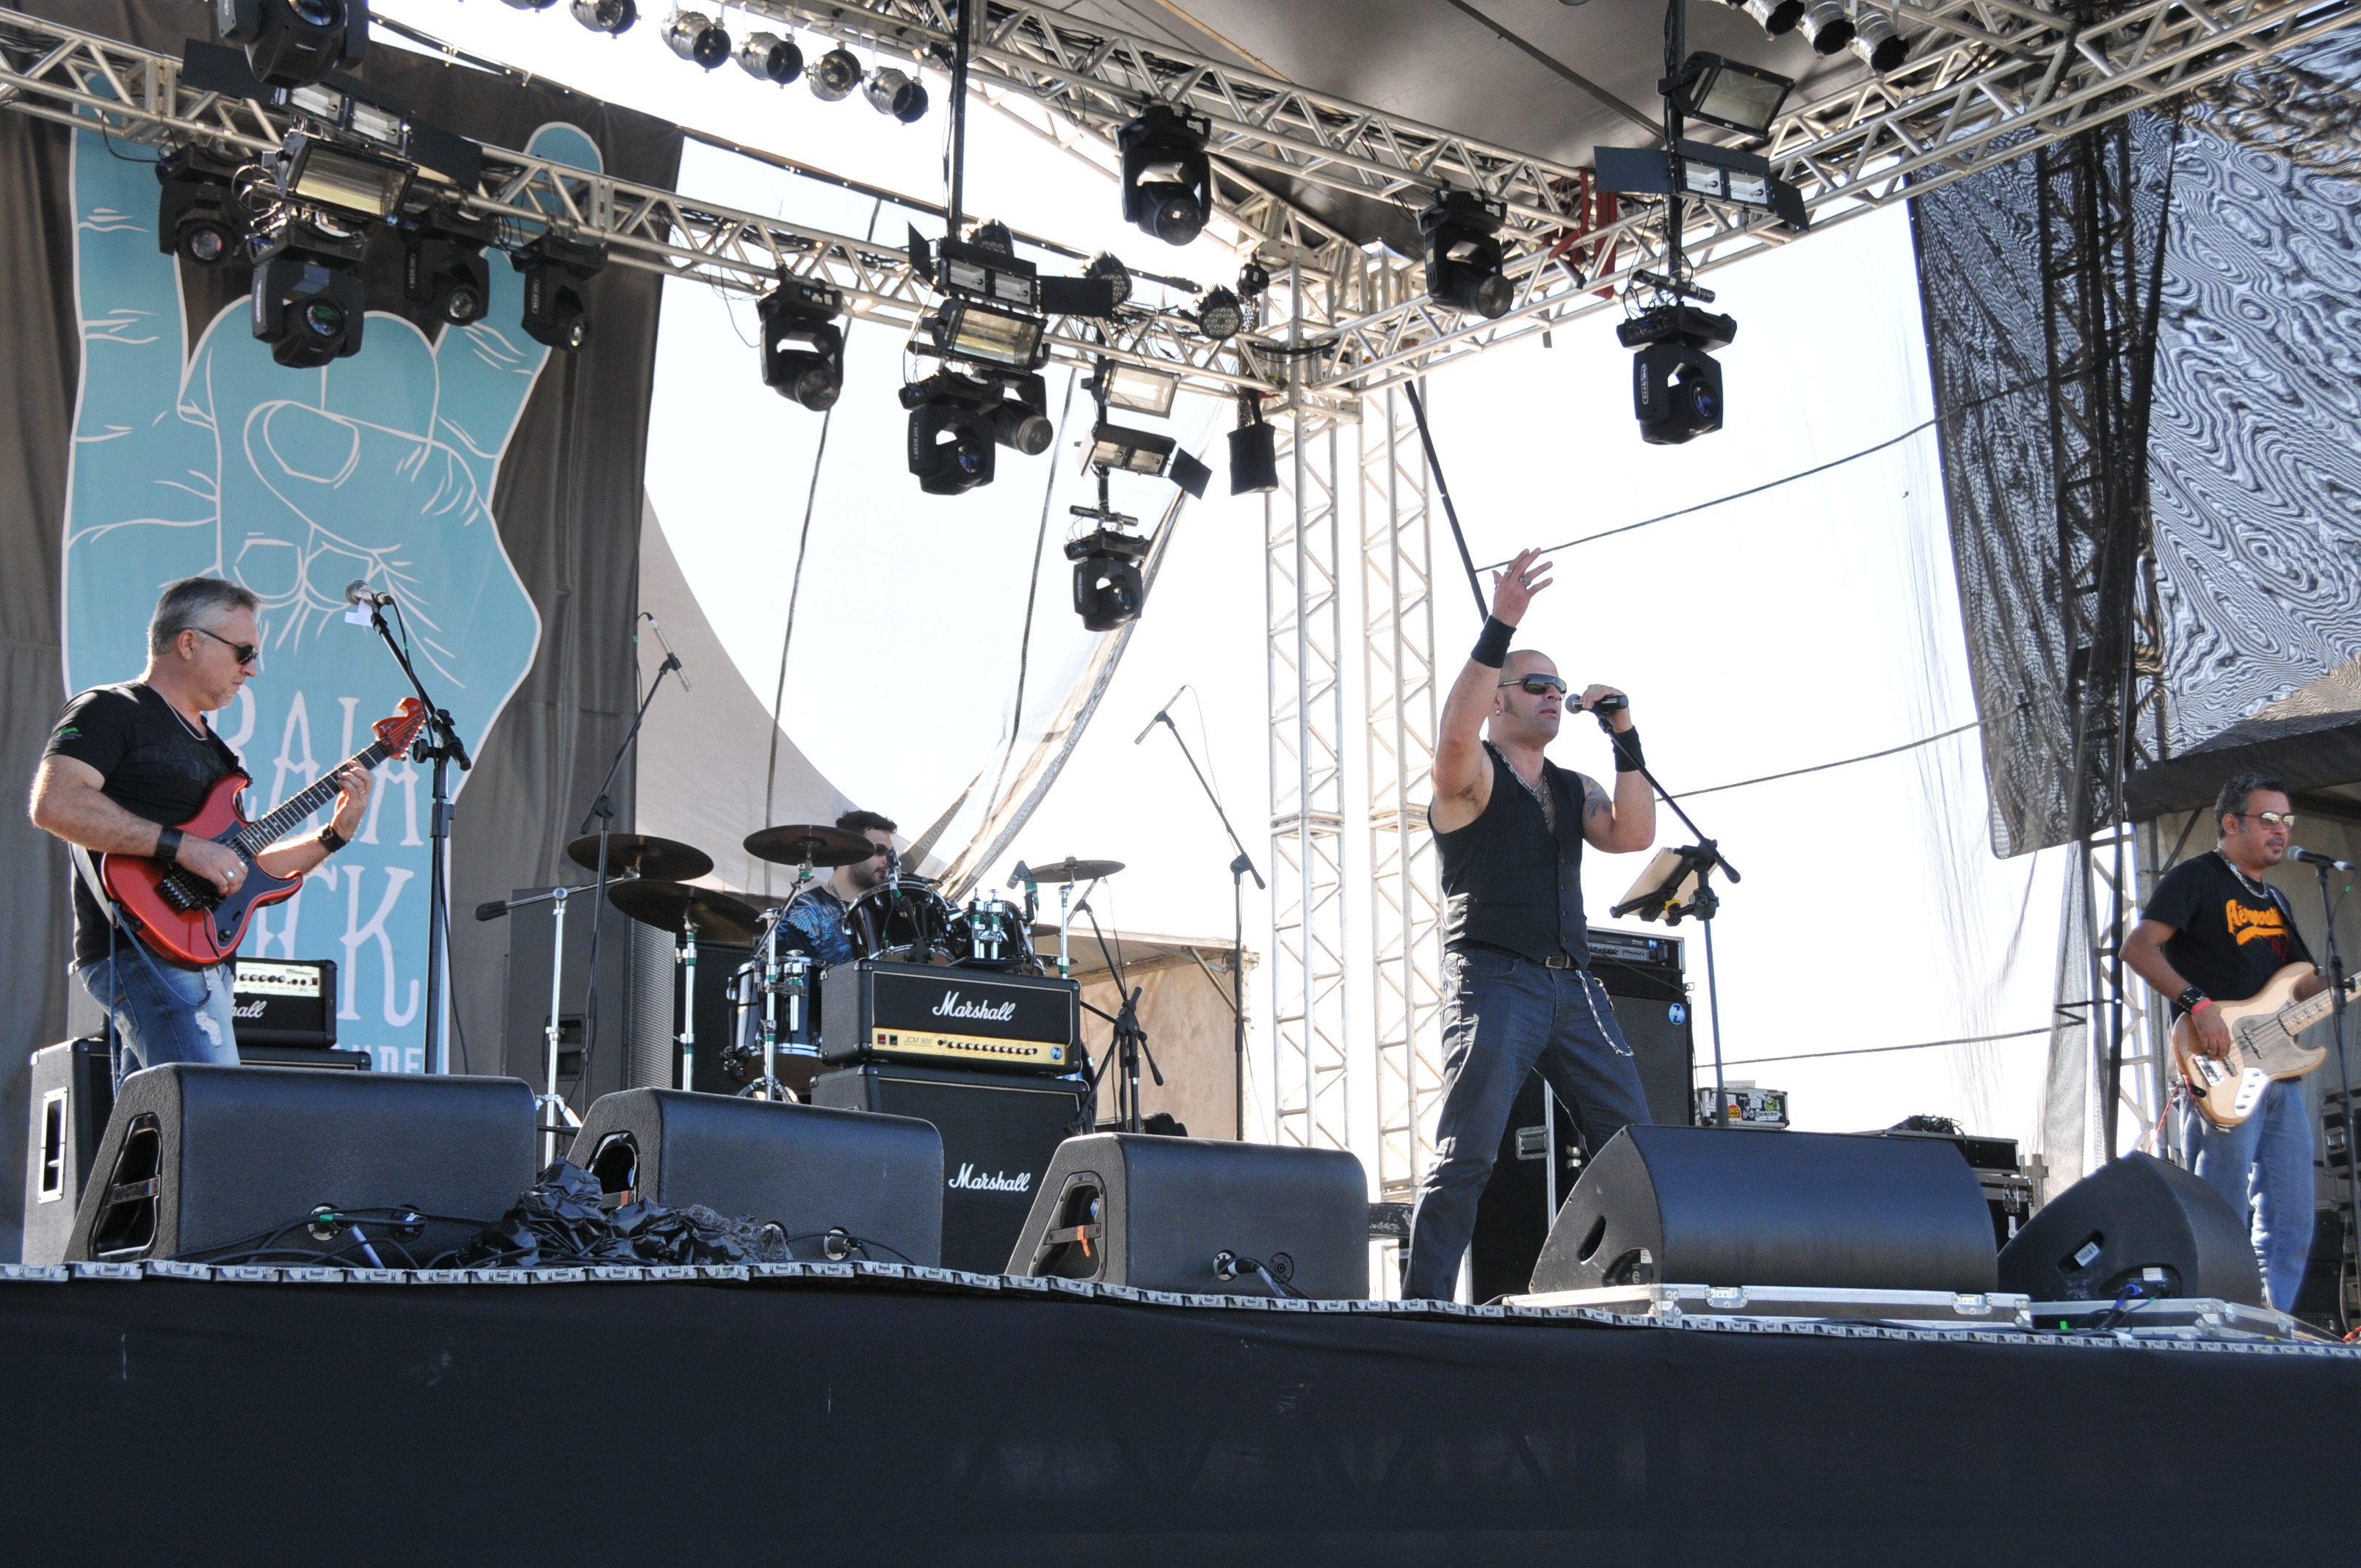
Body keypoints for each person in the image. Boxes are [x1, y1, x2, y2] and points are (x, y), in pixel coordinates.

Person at [1404, 547, 1658, 1302]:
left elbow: (1634, 832)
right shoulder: (1474, 776)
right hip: (1493, 980)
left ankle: (1639, 1295)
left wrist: (1623, 732)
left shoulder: (1574, 787)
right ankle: (1422, 1308)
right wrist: (1501, 625)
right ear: (1499, 701)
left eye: (1559, 687)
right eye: (1536, 686)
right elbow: (1452, 740)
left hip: (1573, 986)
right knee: (1469, 1154)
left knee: (1638, 1149)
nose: (1553, 696)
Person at [29, 577, 371, 1086]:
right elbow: (56, 804)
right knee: (211, 1111)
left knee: (157, 1126)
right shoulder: (111, 708)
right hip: (141, 947)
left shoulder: (218, 755)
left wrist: (334, 835)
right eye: (243, 652)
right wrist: (184, 848)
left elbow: (243, 868)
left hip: (204, 958)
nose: (251, 669)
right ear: (188, 643)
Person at [2122, 772, 2327, 1311]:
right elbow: (2139, 948)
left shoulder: (2275, 899)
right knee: (2222, 1210)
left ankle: (2270, 1324)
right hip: (2219, 1065)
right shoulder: (2197, 878)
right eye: (2269, 819)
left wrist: (2341, 983)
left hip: (2280, 1073)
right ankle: (2215, 1317)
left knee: (2292, 1219)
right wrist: (2199, 1004)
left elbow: (2302, 983)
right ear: (2232, 823)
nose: (2281, 830)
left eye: (2287, 820)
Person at [782, 809, 898, 968]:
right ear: (848, 851)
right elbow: (793, 978)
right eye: (879, 850)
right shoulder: (805, 908)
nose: (888, 861)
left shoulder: (890, 911)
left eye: (891, 854)